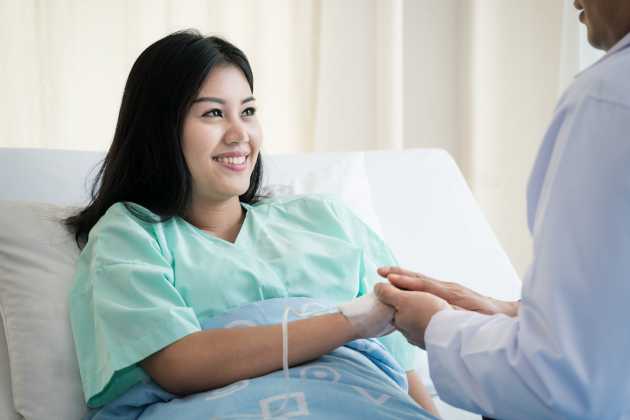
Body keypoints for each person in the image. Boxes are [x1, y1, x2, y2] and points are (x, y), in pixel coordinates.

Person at [63, 29, 439, 417]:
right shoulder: (129, 234)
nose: (240, 134)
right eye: (212, 113)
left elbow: (401, 373)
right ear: (160, 129)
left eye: (247, 111)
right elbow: (182, 365)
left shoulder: (327, 220)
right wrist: (352, 321)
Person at [374, 0, 630, 418]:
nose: (575, 1)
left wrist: (436, 325)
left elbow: (561, 386)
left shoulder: (606, 102)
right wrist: (513, 316)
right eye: (221, 112)